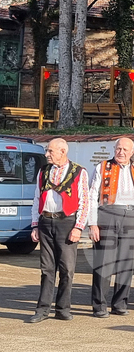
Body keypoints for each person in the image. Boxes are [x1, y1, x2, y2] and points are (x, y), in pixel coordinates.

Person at [26, 138, 90, 324]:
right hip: (46, 222)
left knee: (67, 269)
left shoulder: (79, 172)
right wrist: (35, 224)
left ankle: (63, 308)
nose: (47, 154)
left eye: (50, 151)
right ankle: (42, 309)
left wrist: (78, 227)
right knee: (47, 269)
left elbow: (84, 202)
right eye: (47, 151)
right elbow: (37, 199)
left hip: (67, 223)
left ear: (63, 151)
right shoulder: (43, 171)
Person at [89, 137, 134, 317]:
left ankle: (120, 304)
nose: (121, 152)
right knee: (104, 262)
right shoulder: (102, 167)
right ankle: (99, 305)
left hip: (131, 215)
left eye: (125, 150)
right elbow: (92, 196)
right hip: (107, 214)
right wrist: (92, 223)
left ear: (132, 152)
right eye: (118, 148)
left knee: (126, 263)